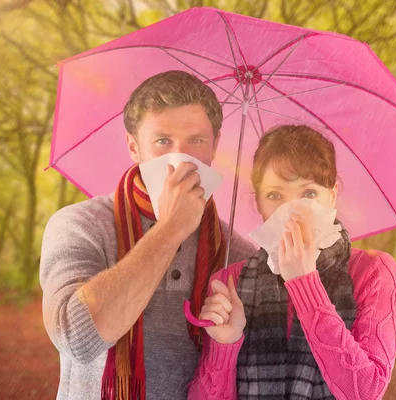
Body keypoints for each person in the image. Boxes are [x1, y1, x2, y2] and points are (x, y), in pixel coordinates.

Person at [40, 71, 257, 400]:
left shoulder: (238, 253)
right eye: (162, 141)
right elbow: (75, 338)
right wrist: (171, 229)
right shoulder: (79, 225)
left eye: (196, 141)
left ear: (214, 146)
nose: (179, 158)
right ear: (133, 146)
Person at [188, 125, 396, 400]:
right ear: (258, 203)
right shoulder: (229, 283)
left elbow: (366, 391)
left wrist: (305, 284)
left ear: (332, 194)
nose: (291, 212)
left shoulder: (372, 272)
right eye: (275, 196)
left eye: (309, 194)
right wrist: (224, 343)